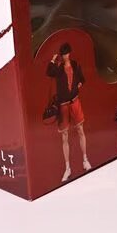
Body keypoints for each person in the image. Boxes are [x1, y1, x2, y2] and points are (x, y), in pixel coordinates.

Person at [46, 42, 91, 181]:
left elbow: (82, 79)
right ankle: (67, 168)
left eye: (66, 53)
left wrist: (79, 84)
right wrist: (53, 60)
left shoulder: (75, 65)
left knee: (80, 129)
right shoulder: (58, 68)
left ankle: (85, 160)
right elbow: (49, 72)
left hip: (74, 100)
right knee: (64, 136)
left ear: (69, 53)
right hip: (63, 104)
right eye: (63, 54)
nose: (65, 56)